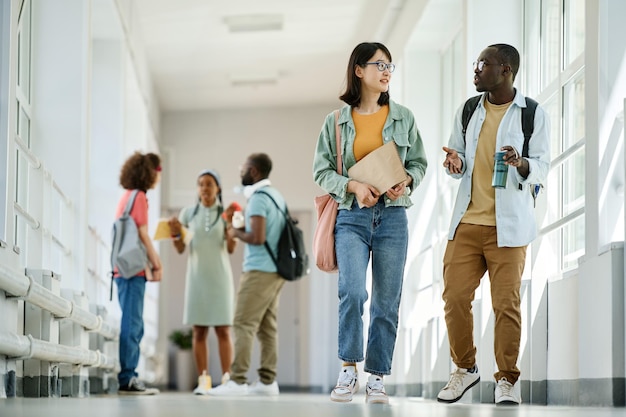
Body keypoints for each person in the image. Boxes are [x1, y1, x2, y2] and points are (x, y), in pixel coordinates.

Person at [312, 42, 428, 404]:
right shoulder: (336, 121)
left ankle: (377, 377)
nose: (387, 70)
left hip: (393, 217)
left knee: (385, 300)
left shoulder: (404, 117)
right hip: (352, 217)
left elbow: (419, 164)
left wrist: (405, 181)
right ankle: (348, 370)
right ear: (359, 70)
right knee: (352, 292)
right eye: (379, 64)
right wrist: (353, 186)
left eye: (390, 65)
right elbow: (322, 170)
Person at [437, 44, 550, 406]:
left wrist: (521, 164)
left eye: (482, 64)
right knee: (454, 298)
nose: (475, 70)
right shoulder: (469, 110)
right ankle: (466, 369)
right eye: (475, 64)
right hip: (467, 220)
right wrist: (454, 163)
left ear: (505, 69)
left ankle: (507, 379)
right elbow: (458, 159)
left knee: (506, 305)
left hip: (510, 227)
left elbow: (544, 167)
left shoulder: (531, 114)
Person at [207, 153, 286, 397]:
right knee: (267, 327)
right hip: (276, 271)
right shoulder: (276, 196)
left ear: (253, 171)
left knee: (242, 322)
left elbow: (258, 238)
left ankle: (238, 381)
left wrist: (234, 232)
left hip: (259, 270)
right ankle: (267, 382)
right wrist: (241, 227)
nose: (240, 170)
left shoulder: (259, 198)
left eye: (243, 167)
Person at [168, 169, 237, 395]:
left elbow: (230, 248)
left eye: (209, 184)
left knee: (223, 330)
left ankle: (227, 381)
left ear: (218, 188)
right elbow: (180, 249)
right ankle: (204, 380)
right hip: (197, 278)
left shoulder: (226, 213)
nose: (204, 188)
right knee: (199, 331)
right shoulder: (188, 213)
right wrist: (176, 232)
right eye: (200, 184)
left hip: (220, 278)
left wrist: (230, 229)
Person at [114, 151, 163, 395]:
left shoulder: (126, 197)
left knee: (132, 322)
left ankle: (129, 376)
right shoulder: (140, 197)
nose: (158, 176)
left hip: (121, 268)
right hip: (132, 270)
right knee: (133, 324)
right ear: (150, 172)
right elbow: (143, 235)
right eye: (158, 171)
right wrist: (157, 263)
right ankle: (127, 379)